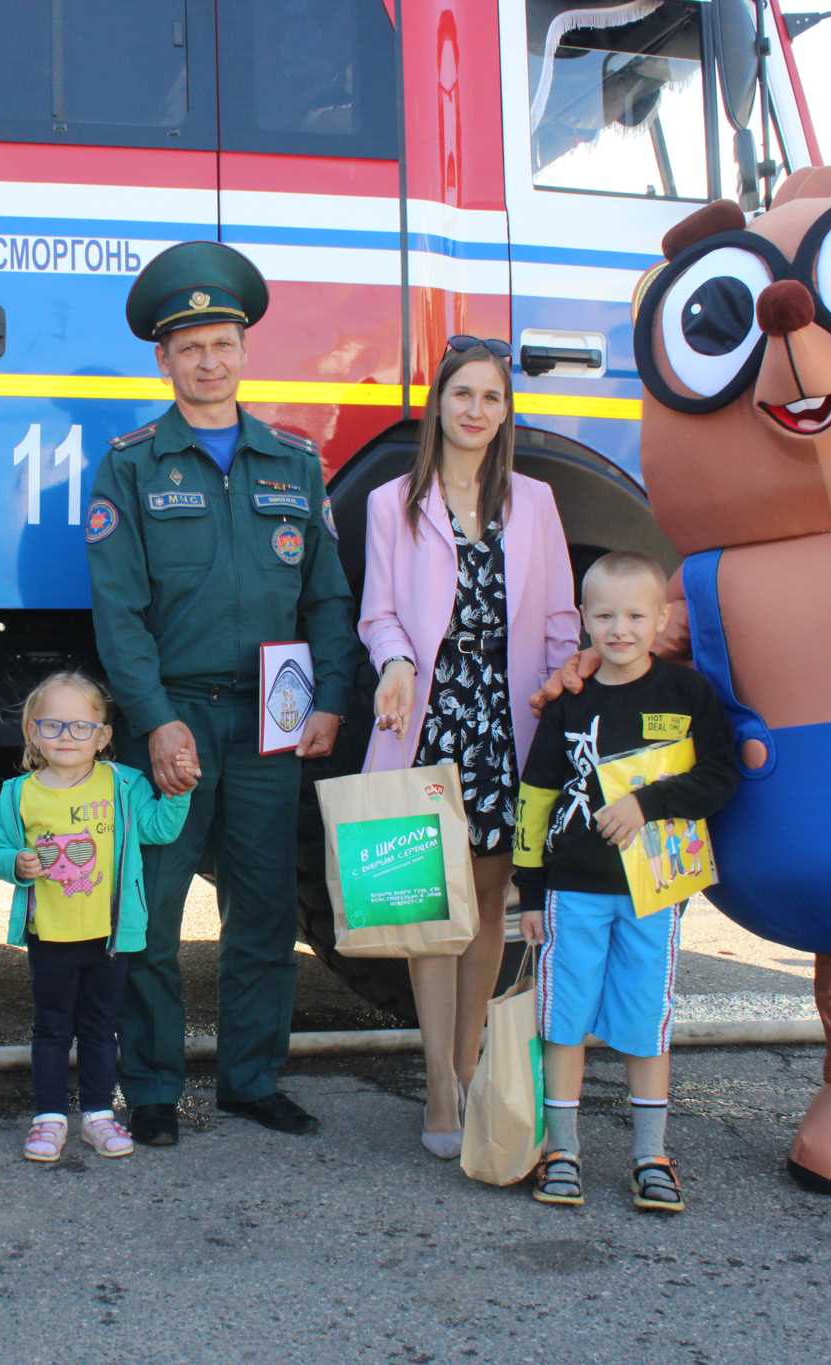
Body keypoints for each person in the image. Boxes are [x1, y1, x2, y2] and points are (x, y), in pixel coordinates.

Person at [87, 240, 358, 1144]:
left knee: (265, 909)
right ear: (163, 361)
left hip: (275, 718)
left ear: (245, 353)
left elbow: (327, 595)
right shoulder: (130, 465)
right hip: (176, 720)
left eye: (223, 343)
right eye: (190, 346)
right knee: (153, 912)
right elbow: (118, 614)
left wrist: (328, 699)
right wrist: (155, 721)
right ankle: (154, 1089)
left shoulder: (294, 463)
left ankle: (251, 1079)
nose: (209, 360)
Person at [359, 337, 579, 1159]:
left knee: (489, 903)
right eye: (463, 395)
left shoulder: (537, 502)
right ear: (438, 405)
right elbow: (378, 612)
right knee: (430, 910)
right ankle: (439, 1083)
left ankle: (471, 1057)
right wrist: (397, 661)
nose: (477, 411)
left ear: (504, 411)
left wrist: (561, 707)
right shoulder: (394, 504)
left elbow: (559, 621)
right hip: (428, 717)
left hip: (505, 720)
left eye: (492, 397)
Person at [513, 552, 739, 1213]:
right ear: (583, 618)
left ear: (661, 619)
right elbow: (536, 794)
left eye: (636, 615)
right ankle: (563, 1151)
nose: (620, 629)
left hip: (655, 894)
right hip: (571, 891)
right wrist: (529, 890)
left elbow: (721, 776)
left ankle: (651, 1155)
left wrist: (647, 803)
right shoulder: (569, 699)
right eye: (605, 614)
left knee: (646, 1024)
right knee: (564, 1022)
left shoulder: (687, 694)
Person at [0, 672, 194, 1162]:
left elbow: (159, 831)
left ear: (103, 737)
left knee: (101, 1028)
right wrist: (16, 863)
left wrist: (179, 790)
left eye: (81, 727)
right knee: (52, 1028)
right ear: (32, 731)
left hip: (109, 936)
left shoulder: (123, 784)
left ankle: (99, 1114)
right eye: (53, 726)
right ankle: (50, 1117)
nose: (66, 737)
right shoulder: (18, 794)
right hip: (50, 934)